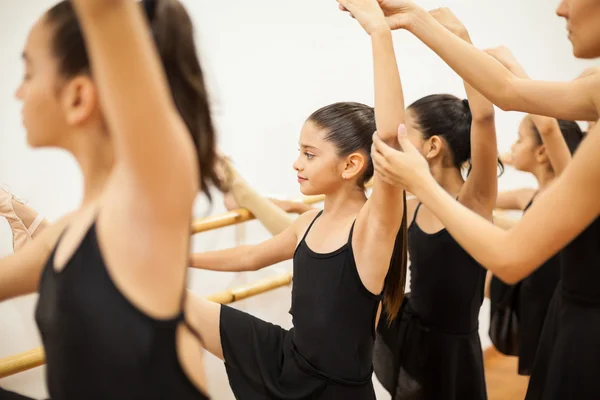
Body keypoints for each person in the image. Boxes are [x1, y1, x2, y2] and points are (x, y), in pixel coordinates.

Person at [354, 2, 600, 399]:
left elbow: (511, 258)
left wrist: (422, 182)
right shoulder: (596, 86)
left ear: (433, 145)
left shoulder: (469, 197)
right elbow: (507, 91)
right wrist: (419, 22)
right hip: (560, 315)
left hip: (579, 326)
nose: (560, 9)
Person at [186, 0, 408, 397]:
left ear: (352, 164)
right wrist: (182, 257)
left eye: (309, 154)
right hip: (287, 358)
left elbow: (390, 138)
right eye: (299, 151)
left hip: (333, 390)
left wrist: (379, 33)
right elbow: (251, 256)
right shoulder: (309, 222)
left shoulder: (371, 228)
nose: (296, 164)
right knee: (176, 301)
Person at [0, 0, 218, 398]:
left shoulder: (145, 201)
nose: (17, 92)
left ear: (78, 96)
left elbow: (106, 9)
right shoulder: (69, 232)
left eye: (28, 73)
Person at [334, 6, 500, 400]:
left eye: (406, 130)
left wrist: (459, 36)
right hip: (410, 336)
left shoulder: (473, 200)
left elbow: (485, 117)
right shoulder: (415, 200)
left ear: (432, 146)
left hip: (454, 352)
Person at [486, 47, 584, 376]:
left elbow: (550, 128)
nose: (513, 147)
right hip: (532, 298)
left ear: (542, 151)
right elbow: (486, 202)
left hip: (551, 303)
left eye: (518, 140)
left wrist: (513, 67)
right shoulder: (531, 194)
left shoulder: (564, 189)